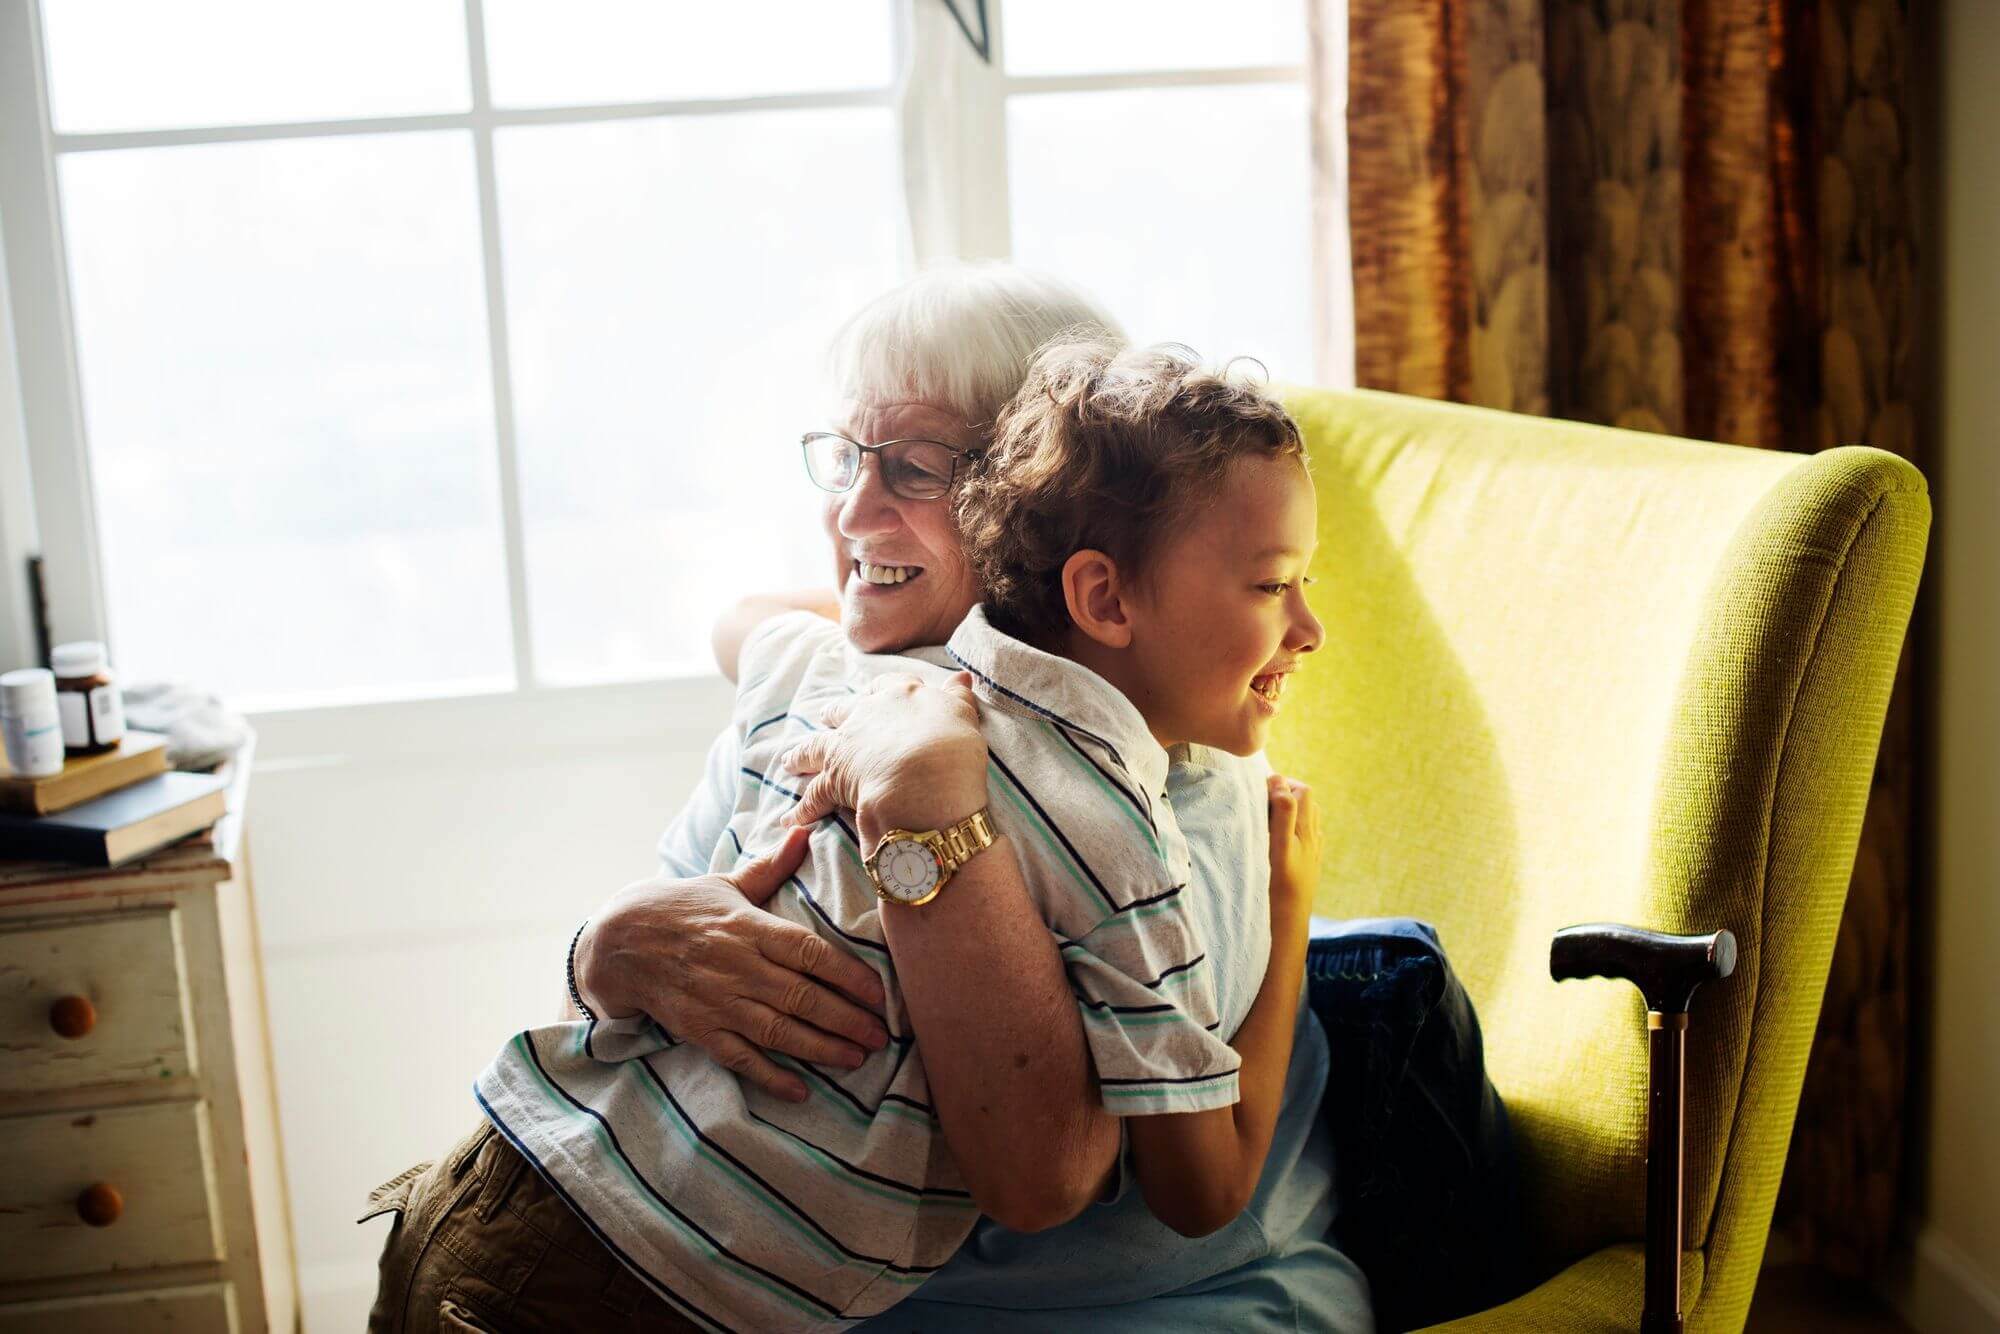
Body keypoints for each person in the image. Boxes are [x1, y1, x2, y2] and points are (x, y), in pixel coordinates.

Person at [365, 265, 1374, 1333]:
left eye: (914, 467)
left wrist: (924, 814)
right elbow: (648, 1016)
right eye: (844, 454)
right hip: (574, 1216)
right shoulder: (829, 677)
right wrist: (603, 949)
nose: (849, 508)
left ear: (1033, 499)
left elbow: (1064, 1182)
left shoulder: (1163, 801)